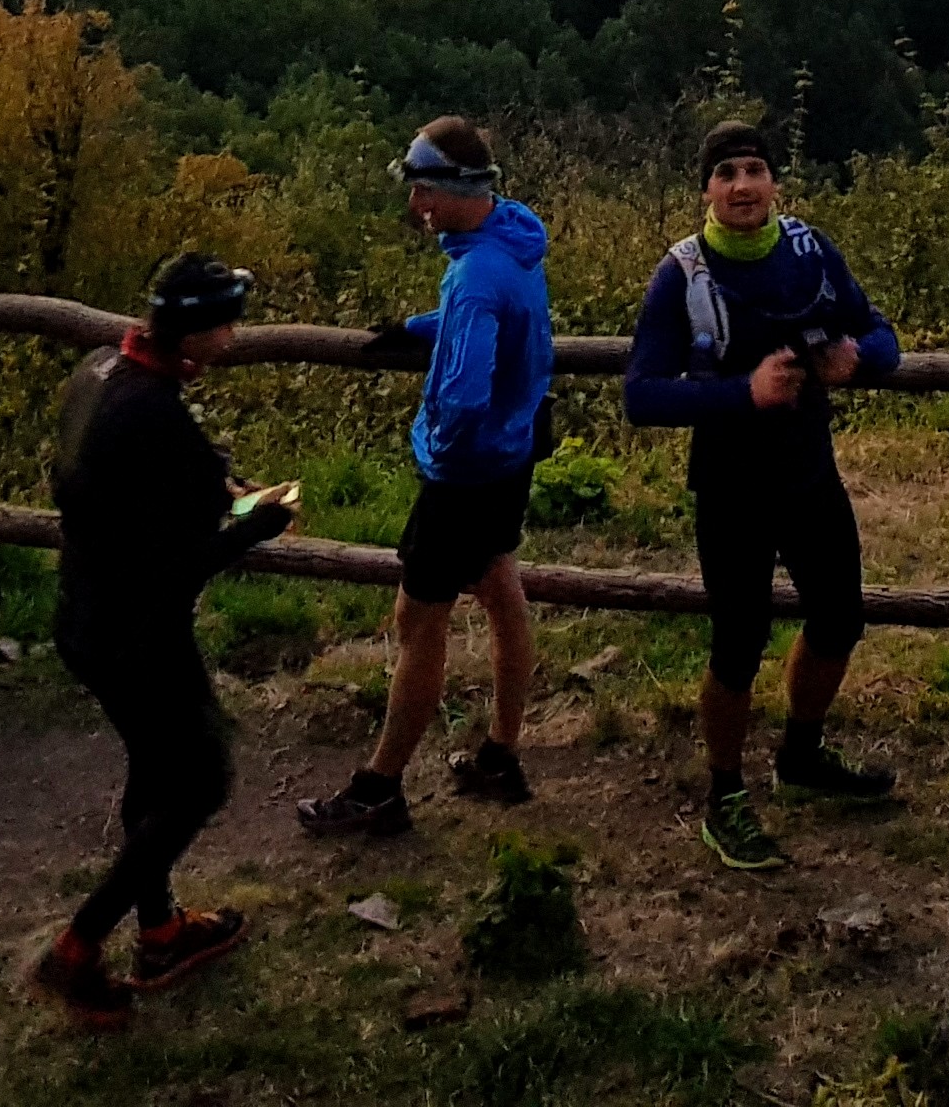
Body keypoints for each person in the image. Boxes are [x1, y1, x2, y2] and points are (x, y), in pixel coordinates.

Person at [28, 250, 302, 1030]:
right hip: (139, 635)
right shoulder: (154, 411)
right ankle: (77, 948)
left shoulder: (104, 371)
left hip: (84, 616)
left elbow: (127, 483)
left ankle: (160, 932)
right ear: (196, 330)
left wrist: (217, 486)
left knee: (153, 772)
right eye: (225, 326)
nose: (232, 338)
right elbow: (180, 563)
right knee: (200, 782)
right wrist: (260, 523)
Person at [623, 119, 901, 871]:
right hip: (731, 485)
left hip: (810, 470)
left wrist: (858, 359)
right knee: (738, 644)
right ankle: (725, 797)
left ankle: (801, 756)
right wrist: (742, 395)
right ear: (706, 191)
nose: (743, 186)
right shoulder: (682, 274)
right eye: (726, 174)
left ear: (775, 182)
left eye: (754, 170)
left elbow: (880, 334)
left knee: (840, 620)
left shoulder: (810, 252)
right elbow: (642, 396)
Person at [298, 117, 557, 838]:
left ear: (456, 190)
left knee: (418, 621)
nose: (416, 207)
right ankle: (500, 756)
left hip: (467, 474)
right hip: (512, 456)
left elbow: (466, 390)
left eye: (423, 192)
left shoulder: (474, 276)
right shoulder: (512, 238)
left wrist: (438, 446)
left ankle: (379, 787)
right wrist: (420, 328)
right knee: (501, 590)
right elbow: (492, 320)